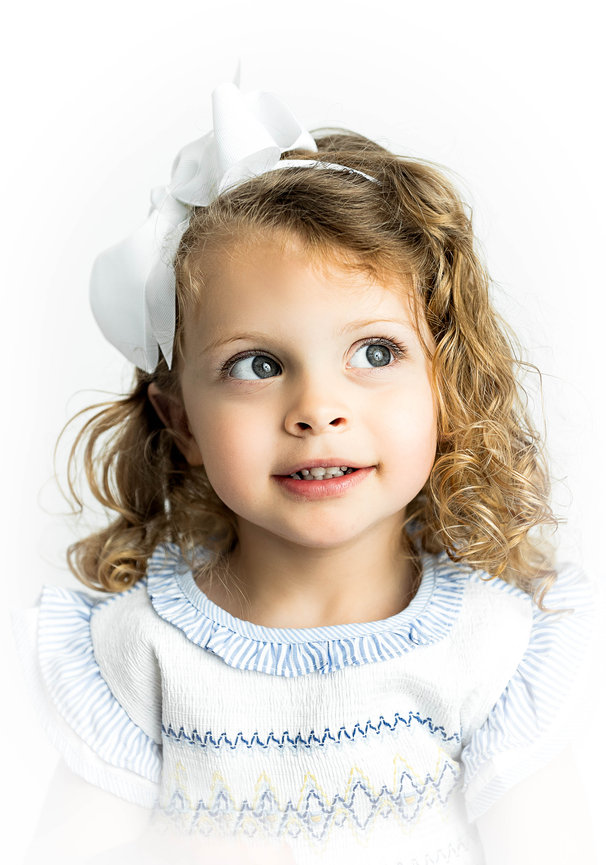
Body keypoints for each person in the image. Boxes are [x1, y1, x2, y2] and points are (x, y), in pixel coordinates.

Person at [14, 81, 596, 865]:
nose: (318, 407)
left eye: (376, 353)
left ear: (444, 388)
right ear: (180, 419)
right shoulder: (138, 653)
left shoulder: (489, 651)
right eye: (257, 364)